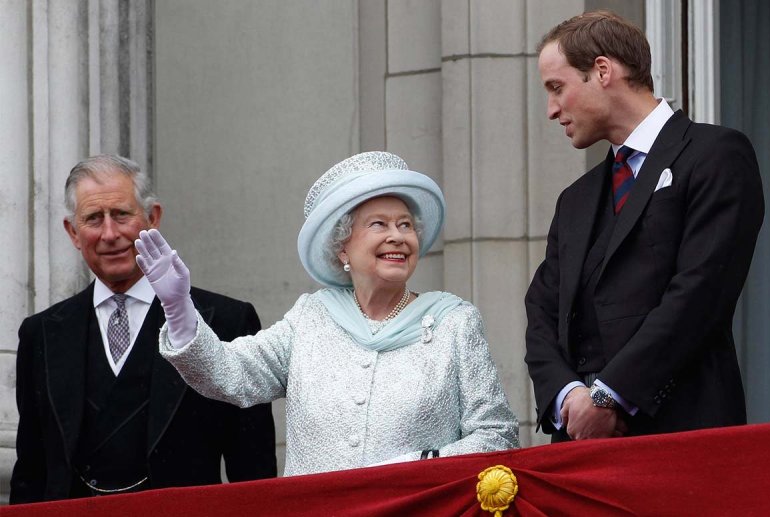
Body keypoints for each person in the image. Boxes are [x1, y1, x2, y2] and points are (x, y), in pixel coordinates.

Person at [135, 151, 519, 476]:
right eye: (379, 225)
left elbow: (497, 433)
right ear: (343, 248)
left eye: (405, 225)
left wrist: (421, 465)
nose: (398, 236)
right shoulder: (310, 319)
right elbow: (229, 375)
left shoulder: (455, 322)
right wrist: (178, 307)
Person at [525, 11, 764, 442]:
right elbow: (542, 313)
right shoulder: (575, 199)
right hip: (580, 452)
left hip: (685, 439)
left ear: (602, 71)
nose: (551, 110)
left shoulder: (716, 155)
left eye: (557, 88)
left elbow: (700, 292)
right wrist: (570, 399)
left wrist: (609, 397)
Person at [10, 155, 277, 503]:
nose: (110, 233)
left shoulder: (225, 321)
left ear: (153, 218)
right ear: (73, 232)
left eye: (121, 214)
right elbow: (32, 472)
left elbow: (253, 471)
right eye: (93, 218)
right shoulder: (41, 334)